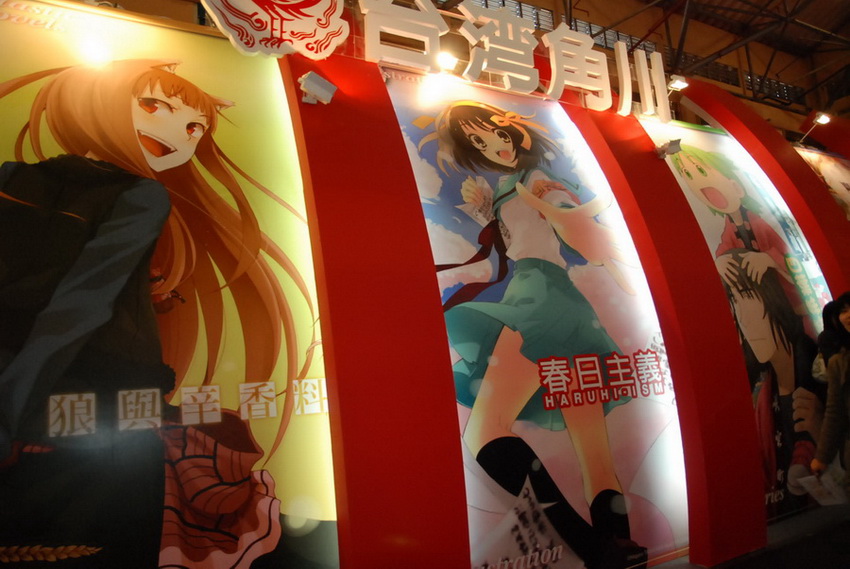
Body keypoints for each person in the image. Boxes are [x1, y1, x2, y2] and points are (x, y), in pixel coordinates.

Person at [0, 60, 314, 568]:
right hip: (100, 411)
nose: (176, 134)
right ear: (96, 100)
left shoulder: (12, 177)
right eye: (153, 106)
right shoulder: (139, 194)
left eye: (194, 128)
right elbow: (79, 305)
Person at [419, 100, 646, 569]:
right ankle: (619, 550)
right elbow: (524, 238)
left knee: (485, 431)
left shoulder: (538, 180)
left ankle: (592, 547)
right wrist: (489, 212)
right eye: (478, 142)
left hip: (541, 299)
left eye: (494, 133)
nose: (492, 146)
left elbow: (568, 221)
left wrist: (564, 213)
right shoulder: (511, 186)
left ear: (512, 130)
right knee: (595, 457)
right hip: (563, 304)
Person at [723, 249, 822, 515]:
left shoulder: (812, 360)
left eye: (747, 296)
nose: (743, 319)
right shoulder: (760, 387)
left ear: (773, 298)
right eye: (734, 302)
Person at [811, 292, 850, 493]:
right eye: (843, 311)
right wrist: (822, 457)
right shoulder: (838, 362)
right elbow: (835, 411)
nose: (848, 315)